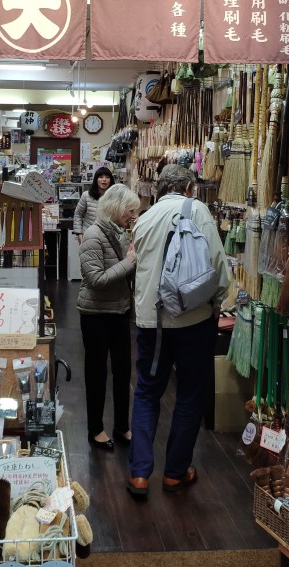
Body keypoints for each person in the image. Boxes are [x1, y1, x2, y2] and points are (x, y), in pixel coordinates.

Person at [127, 164, 229, 497]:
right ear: (189, 188)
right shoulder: (196, 210)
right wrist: (218, 301)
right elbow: (218, 266)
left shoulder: (145, 218)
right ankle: (174, 472)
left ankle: (139, 474)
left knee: (147, 392)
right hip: (192, 318)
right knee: (189, 393)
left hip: (150, 320)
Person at [77, 183, 141, 450]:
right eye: (130, 211)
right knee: (97, 374)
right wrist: (129, 262)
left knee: (123, 372)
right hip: (96, 314)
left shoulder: (118, 233)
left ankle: (122, 426)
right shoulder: (93, 235)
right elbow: (96, 279)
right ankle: (95, 430)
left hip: (119, 311)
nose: (133, 216)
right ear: (116, 208)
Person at [73, 166, 115, 244]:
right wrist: (79, 233)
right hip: (88, 236)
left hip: (109, 238)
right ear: (96, 180)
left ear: (111, 180)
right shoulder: (86, 195)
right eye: (101, 177)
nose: (104, 179)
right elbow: (78, 214)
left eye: (107, 177)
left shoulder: (115, 197)